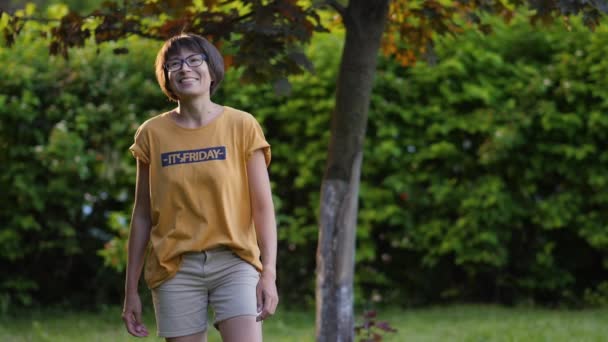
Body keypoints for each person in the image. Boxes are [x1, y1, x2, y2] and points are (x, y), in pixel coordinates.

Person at [121, 32, 278, 342]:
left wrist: (269, 272)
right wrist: (130, 292)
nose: (184, 68)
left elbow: (262, 207)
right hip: (174, 268)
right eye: (174, 63)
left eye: (195, 60)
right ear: (166, 77)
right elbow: (141, 215)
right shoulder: (151, 134)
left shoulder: (241, 125)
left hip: (235, 262)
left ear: (212, 70)